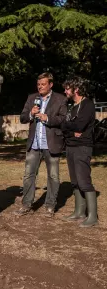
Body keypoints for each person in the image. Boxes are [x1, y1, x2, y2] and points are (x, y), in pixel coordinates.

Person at [14, 72, 68, 217]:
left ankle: (50, 206)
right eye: (38, 84)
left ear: (50, 84)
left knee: (53, 176)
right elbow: (23, 118)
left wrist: (48, 118)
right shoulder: (32, 98)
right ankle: (26, 205)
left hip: (51, 143)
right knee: (28, 175)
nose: (40, 87)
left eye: (43, 84)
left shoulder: (60, 99)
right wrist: (31, 113)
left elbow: (63, 120)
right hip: (34, 144)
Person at [61, 76, 98, 227]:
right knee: (75, 181)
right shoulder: (72, 106)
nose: (65, 91)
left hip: (82, 147)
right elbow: (65, 126)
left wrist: (71, 126)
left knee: (84, 181)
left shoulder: (87, 104)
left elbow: (80, 125)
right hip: (70, 146)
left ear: (76, 89)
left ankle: (93, 216)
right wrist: (71, 128)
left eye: (67, 88)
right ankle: (79, 212)